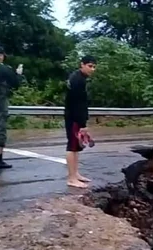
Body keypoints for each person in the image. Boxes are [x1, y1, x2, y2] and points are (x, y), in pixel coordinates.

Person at [64, 55, 97, 188]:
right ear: (82, 64)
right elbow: (78, 104)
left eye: (94, 67)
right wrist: (82, 124)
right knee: (72, 147)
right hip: (74, 118)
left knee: (76, 147)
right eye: (90, 66)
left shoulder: (77, 77)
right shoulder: (78, 80)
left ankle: (75, 174)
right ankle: (71, 179)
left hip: (74, 116)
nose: (92, 69)